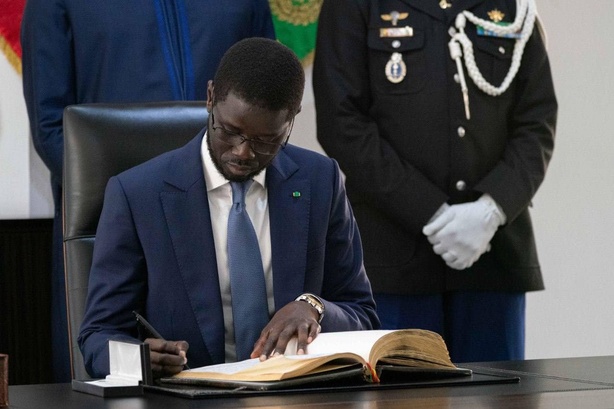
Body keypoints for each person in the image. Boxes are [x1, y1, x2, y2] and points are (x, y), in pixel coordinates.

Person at [78, 37, 380, 378]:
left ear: (292, 119)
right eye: (230, 131)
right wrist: (140, 360)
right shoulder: (137, 194)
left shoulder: (320, 180)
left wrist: (314, 308)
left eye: (266, 140)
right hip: (188, 396)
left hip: (294, 392)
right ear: (210, 98)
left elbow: (363, 314)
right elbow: (97, 335)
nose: (242, 152)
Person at [20, 0, 275, 381]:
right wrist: (131, 206)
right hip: (115, 218)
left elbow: (267, 91)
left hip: (231, 207)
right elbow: (53, 126)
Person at [312, 0, 557, 362]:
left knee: (499, 389)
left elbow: (537, 120)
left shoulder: (513, 6)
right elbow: (340, 121)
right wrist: (428, 211)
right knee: (399, 389)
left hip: (492, 255)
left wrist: (492, 209)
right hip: (393, 257)